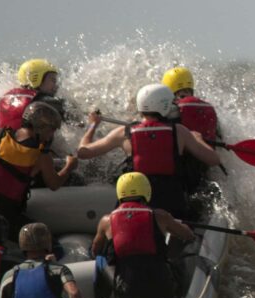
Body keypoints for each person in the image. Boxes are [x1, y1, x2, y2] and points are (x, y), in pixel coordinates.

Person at [77, 83, 220, 219]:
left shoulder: (124, 133)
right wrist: (198, 139)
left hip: (138, 205)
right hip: (173, 205)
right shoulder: (180, 132)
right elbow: (213, 160)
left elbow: (83, 152)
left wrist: (93, 125)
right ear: (165, 107)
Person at [0, 101, 78, 236]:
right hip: (4, 217)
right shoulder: (40, 155)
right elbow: (54, 184)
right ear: (41, 127)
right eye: (52, 130)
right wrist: (69, 166)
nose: (51, 135)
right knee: (47, 240)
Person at [91, 172, 196, 298]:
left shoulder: (106, 221)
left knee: (100, 259)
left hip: (128, 294)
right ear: (147, 191)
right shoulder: (161, 216)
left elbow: (95, 250)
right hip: (161, 291)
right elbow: (188, 236)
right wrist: (175, 224)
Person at [162, 67, 224, 214]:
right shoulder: (208, 108)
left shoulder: (171, 109)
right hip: (203, 170)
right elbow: (219, 134)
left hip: (178, 173)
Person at [161, 67, 219, 142]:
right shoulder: (205, 108)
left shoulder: (166, 112)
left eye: (186, 94)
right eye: (182, 96)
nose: (185, 99)